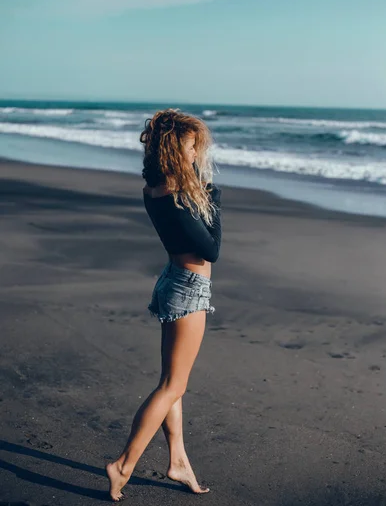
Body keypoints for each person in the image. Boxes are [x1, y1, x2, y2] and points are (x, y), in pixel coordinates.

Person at [106, 108, 222, 501]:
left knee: (172, 384)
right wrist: (214, 199)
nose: (195, 154)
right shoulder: (177, 195)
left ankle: (177, 461)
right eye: (191, 147)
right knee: (173, 385)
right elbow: (211, 249)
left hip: (174, 281)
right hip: (188, 286)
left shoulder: (155, 188)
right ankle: (124, 464)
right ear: (176, 149)